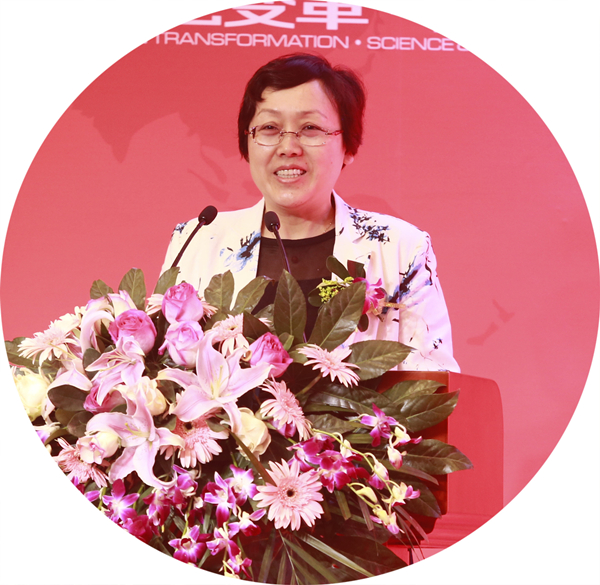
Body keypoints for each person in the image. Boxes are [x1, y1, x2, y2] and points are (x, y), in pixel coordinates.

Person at [162, 53, 459, 372]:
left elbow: (433, 382)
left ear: (348, 146)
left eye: (310, 128)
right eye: (270, 128)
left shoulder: (399, 248)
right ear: (247, 142)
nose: (288, 147)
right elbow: (159, 370)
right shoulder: (198, 238)